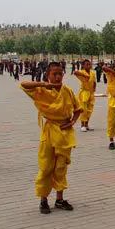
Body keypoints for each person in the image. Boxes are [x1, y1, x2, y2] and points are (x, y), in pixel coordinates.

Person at [20, 62, 82, 214]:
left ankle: (59, 199)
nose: (58, 77)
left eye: (60, 74)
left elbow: (78, 109)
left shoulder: (67, 90)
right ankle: (43, 200)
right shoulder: (41, 90)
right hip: (49, 131)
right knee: (46, 166)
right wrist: (44, 84)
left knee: (61, 167)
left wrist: (72, 122)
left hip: (64, 133)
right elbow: (23, 84)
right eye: (54, 74)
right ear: (48, 75)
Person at [74, 59, 96, 132]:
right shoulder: (82, 72)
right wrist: (84, 75)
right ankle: (82, 125)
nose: (89, 66)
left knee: (90, 109)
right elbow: (75, 72)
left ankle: (86, 124)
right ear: (83, 65)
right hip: (84, 92)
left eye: (89, 64)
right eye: (87, 64)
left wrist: (94, 89)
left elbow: (94, 82)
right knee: (83, 109)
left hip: (91, 93)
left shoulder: (92, 73)